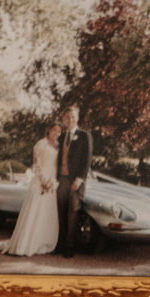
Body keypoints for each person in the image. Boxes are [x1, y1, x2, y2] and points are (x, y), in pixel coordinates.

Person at [0, 122, 61, 257]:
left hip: (52, 182)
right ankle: (28, 243)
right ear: (49, 130)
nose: (57, 134)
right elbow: (37, 165)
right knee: (36, 211)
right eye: (55, 130)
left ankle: (45, 242)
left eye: (59, 132)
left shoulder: (58, 146)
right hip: (41, 182)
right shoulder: (40, 144)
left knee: (47, 212)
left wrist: (52, 182)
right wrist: (43, 181)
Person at [55, 104, 93, 259]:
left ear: (77, 118)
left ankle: (70, 247)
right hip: (61, 179)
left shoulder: (84, 135)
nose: (70, 120)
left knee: (73, 213)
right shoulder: (62, 136)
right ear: (64, 119)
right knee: (61, 213)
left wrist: (80, 178)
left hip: (76, 181)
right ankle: (60, 244)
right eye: (67, 117)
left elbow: (87, 158)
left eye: (73, 117)